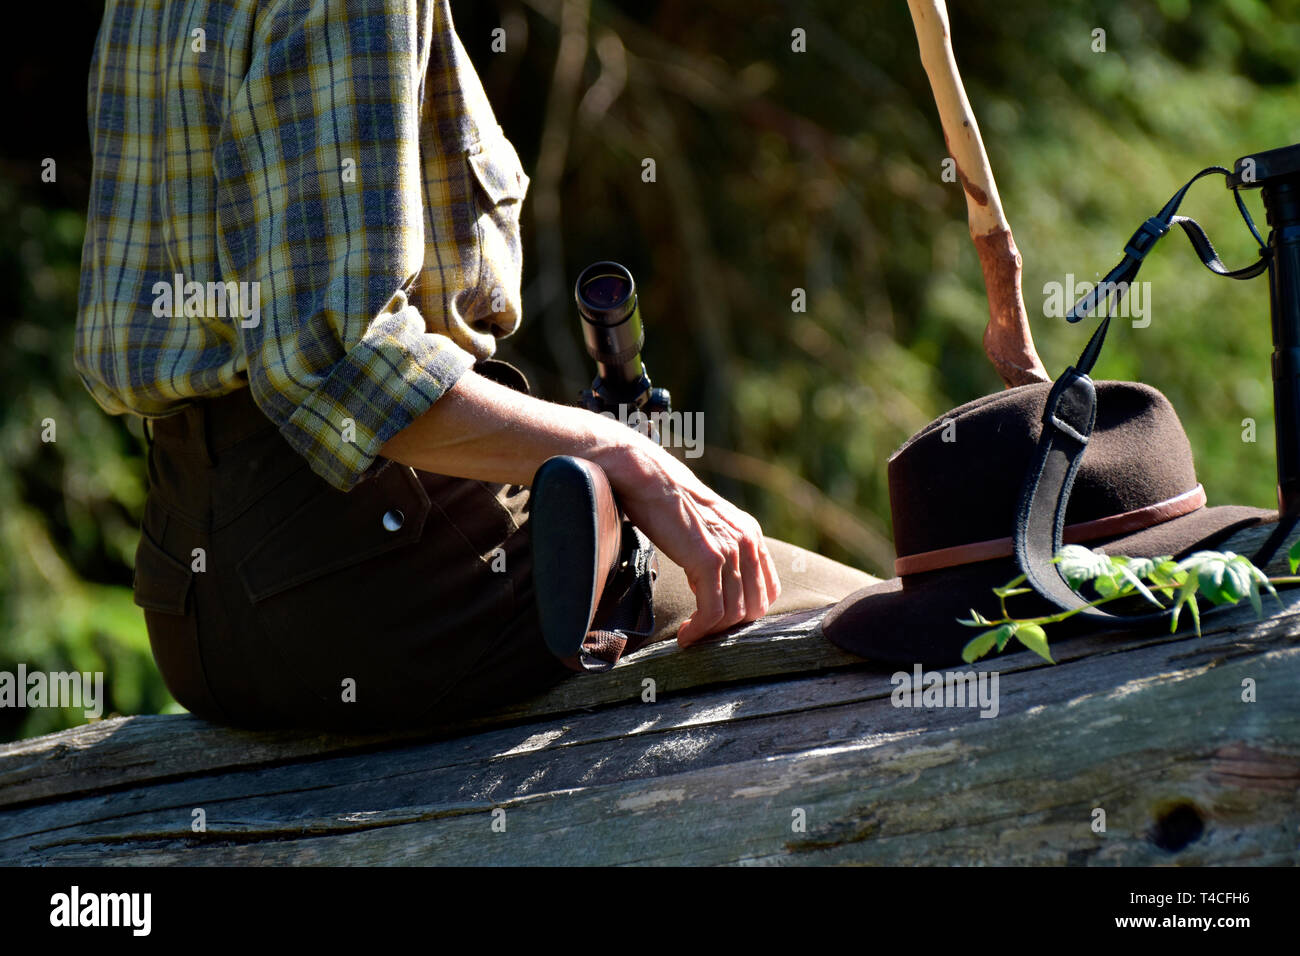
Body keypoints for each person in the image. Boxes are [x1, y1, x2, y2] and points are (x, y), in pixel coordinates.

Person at [75, 0, 875, 730]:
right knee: (856, 617)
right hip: (382, 591)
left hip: (189, 609)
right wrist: (631, 458)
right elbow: (341, 359)